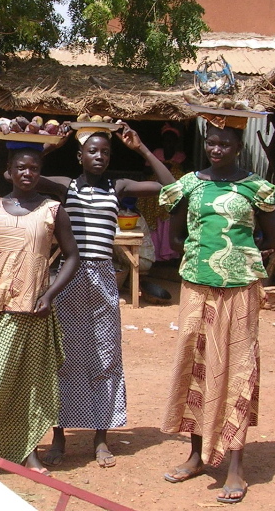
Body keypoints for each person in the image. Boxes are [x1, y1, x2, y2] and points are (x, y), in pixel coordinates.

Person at [34, 123, 175, 469]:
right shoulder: (66, 187)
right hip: (67, 279)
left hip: (102, 280)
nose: (99, 157)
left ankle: (101, 437)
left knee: (104, 357)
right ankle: (59, 438)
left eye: (105, 152)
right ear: (80, 156)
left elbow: (171, 186)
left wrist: (140, 147)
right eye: (92, 151)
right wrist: (54, 143)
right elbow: (29, 171)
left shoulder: (119, 186)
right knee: (62, 358)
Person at [159, 114, 275, 504]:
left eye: (224, 143)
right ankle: (195, 455)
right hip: (197, 288)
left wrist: (235, 262)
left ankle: (235, 466)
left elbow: (271, 237)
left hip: (240, 290)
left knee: (237, 367)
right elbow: (177, 234)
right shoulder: (190, 185)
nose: (216, 149)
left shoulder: (256, 189)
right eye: (211, 142)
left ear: (238, 147)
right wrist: (203, 259)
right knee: (196, 363)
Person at [0, 145, 80, 479]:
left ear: (39, 171)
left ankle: (30, 452)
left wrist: (51, 293)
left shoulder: (53, 210)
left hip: (34, 311)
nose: (27, 174)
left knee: (31, 384)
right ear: (9, 171)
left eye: (33, 168)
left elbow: (72, 256)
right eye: (21, 168)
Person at [137, 122, 187, 261]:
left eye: (172, 140)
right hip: (156, 193)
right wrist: (160, 166)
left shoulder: (180, 156)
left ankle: (169, 253)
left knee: (169, 220)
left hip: (173, 192)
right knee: (155, 222)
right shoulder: (157, 153)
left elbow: (186, 171)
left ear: (176, 142)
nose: (169, 143)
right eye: (166, 140)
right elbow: (146, 170)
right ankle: (156, 254)